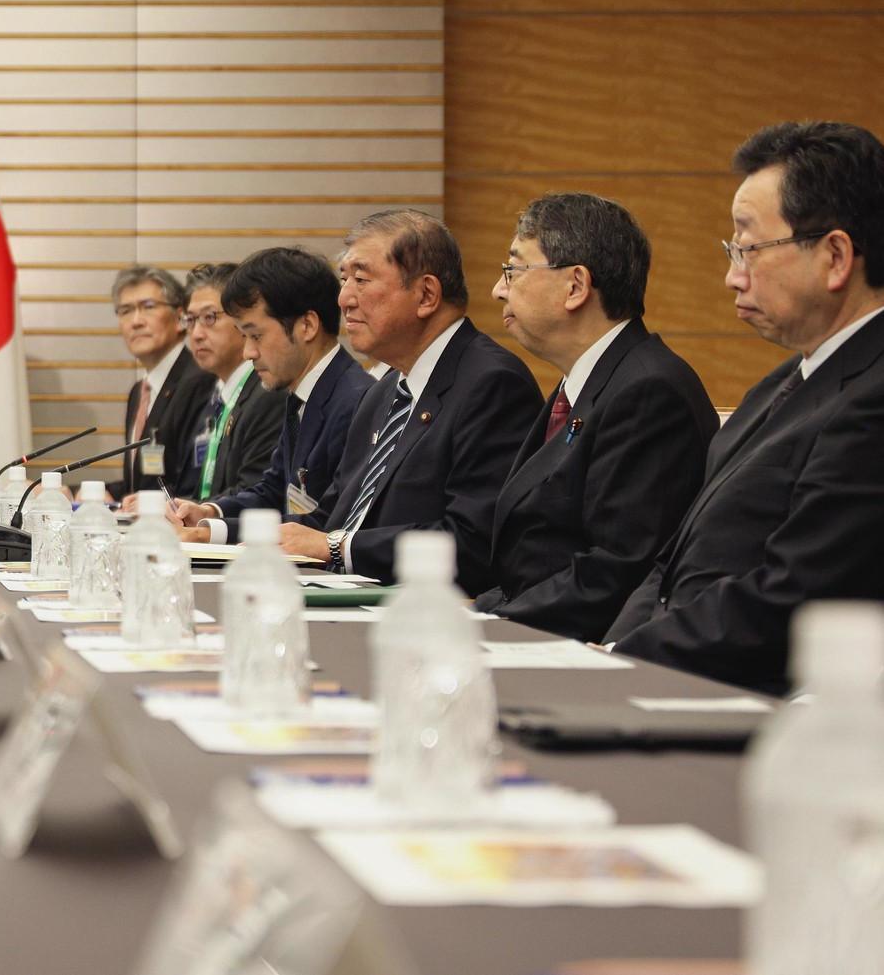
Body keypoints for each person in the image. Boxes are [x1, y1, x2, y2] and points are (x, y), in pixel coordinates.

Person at [607, 122, 884, 693]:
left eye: (748, 248)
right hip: (673, 675)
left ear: (835, 256)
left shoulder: (872, 397)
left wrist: (625, 662)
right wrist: (614, 651)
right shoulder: (780, 383)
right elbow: (672, 561)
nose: (732, 277)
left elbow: (795, 595)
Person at [473, 195, 717, 640]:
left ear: (575, 286)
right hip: (535, 630)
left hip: (583, 650)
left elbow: (614, 572)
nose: (498, 289)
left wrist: (488, 625)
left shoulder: (647, 391)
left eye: (514, 269)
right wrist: (475, 610)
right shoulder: (583, 383)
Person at [277, 210, 540, 590]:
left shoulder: (492, 383)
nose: (344, 298)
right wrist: (217, 533)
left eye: (362, 280)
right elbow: (331, 519)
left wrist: (338, 548)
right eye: (344, 279)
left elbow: (471, 540)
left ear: (427, 295)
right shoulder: (382, 393)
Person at [174, 247, 374, 542]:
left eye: (256, 336)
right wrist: (210, 514)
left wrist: (210, 534)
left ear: (307, 325)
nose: (248, 352)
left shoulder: (356, 402)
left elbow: (323, 524)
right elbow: (273, 490)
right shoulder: (301, 394)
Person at [175, 262, 288, 503]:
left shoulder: (268, 392)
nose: (196, 334)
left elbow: (257, 490)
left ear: (242, 321)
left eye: (209, 317)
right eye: (191, 320)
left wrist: (204, 513)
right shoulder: (214, 395)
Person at [107, 265, 214, 500]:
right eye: (125, 310)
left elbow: (193, 484)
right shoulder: (139, 391)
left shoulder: (200, 381)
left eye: (148, 307)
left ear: (180, 318)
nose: (136, 321)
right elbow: (140, 485)